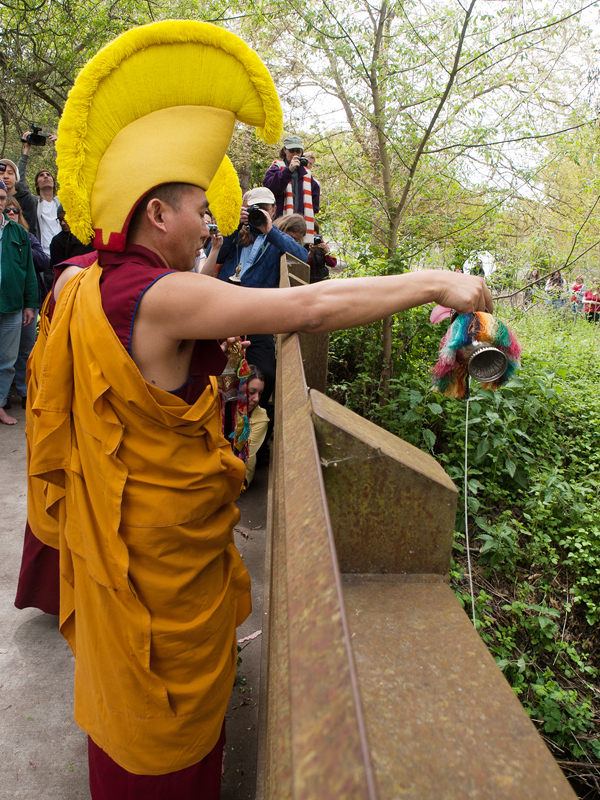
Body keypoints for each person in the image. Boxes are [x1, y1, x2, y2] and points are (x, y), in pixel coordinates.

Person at [26, 21, 492, 800]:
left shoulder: (82, 285)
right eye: (195, 209)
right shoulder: (158, 296)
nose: (209, 221)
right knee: (160, 735)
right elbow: (311, 309)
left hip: (123, 550)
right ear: (157, 215)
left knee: (126, 711)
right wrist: (428, 282)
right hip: (155, 567)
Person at [216, 187, 308, 410]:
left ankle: (256, 427)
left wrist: (269, 229)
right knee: (219, 371)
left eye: (263, 208)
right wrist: (234, 226)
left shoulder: (275, 239)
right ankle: (222, 420)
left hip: (257, 317)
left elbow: (303, 257)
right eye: (253, 209)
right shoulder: (236, 234)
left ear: (273, 210)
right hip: (223, 313)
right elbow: (215, 253)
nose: (257, 213)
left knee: (266, 373)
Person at [4, 196, 51, 407]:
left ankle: (25, 393)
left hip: (22, 305)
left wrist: (23, 251)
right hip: (9, 303)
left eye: (15, 210)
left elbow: (40, 265)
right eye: (8, 211)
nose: (11, 213)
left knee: (23, 352)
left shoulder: (25, 236)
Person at [0, 180, 37, 425]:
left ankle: (0, 405)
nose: (0, 202)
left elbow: (29, 271)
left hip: (12, 308)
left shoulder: (18, 232)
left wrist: (29, 304)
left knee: (7, 363)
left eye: (2, 198)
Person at [263, 135, 320, 242]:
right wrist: (288, 171)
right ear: (285, 150)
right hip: (279, 225)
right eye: (291, 150)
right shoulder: (276, 168)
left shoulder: (306, 174)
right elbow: (270, 189)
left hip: (300, 229)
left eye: (298, 151)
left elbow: (315, 199)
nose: (295, 154)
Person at [244, 365, 269, 487]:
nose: (256, 399)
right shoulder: (222, 404)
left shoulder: (261, 418)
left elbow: (243, 455)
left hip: (238, 474)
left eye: (260, 393)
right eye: (251, 392)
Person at [0, 157, 38, 237]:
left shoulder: (27, 199)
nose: (5, 176)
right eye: (1, 173)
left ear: (16, 178)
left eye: (10, 173)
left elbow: (29, 227)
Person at [50, 204, 95, 269]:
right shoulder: (57, 241)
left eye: (65, 219)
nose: (62, 223)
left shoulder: (86, 237)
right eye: (60, 220)